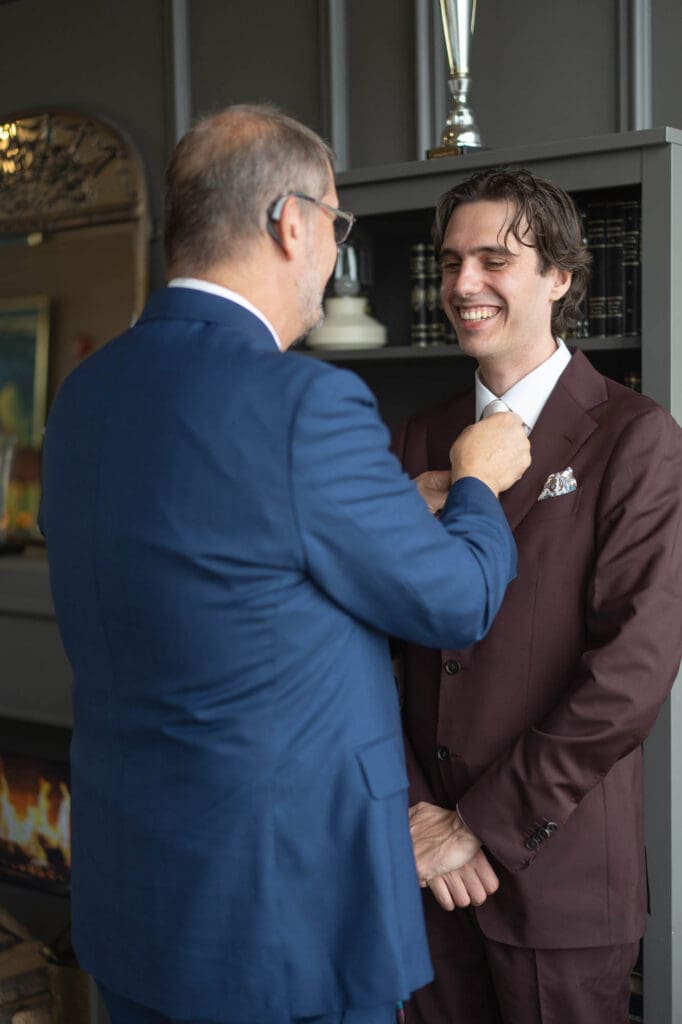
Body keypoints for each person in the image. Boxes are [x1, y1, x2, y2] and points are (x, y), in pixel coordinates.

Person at [39, 106, 531, 1024]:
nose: (332, 253)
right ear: (291, 223)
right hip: (281, 918)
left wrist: (387, 509)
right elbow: (458, 601)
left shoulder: (86, 395)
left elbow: (224, 548)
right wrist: (474, 483)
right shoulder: (303, 399)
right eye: (337, 227)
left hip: (133, 898)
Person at [392, 165, 682, 1024]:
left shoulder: (637, 436)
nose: (463, 286)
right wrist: (414, 817)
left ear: (560, 276)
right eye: (449, 263)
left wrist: (476, 824)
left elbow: (632, 672)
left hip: (554, 878)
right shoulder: (417, 433)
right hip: (422, 872)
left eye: (493, 260)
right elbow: (377, 639)